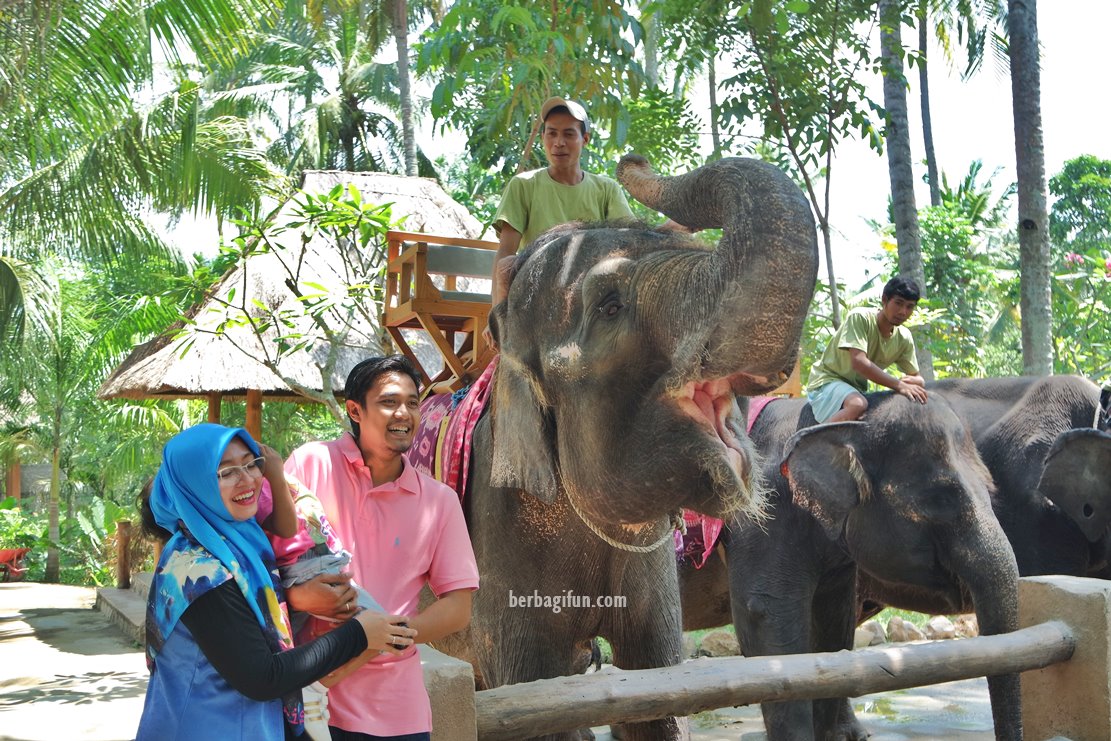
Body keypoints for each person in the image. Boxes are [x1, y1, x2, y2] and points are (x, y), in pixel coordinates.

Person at [136, 423, 416, 741]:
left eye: (250, 464)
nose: (247, 479)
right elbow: (262, 678)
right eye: (226, 472)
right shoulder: (199, 572)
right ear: (194, 484)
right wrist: (360, 634)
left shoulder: (236, 541)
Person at [284, 355, 480, 741]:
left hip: (396, 713)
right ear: (355, 410)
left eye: (412, 402)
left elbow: (459, 607)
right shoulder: (310, 465)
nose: (403, 413)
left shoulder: (439, 501)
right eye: (389, 402)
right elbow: (270, 562)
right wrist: (302, 598)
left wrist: (390, 633)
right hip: (301, 696)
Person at [806, 276, 928, 423]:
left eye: (909, 307)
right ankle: (814, 437)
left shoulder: (904, 337)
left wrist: (916, 381)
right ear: (884, 300)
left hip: (856, 389)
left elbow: (916, 376)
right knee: (857, 405)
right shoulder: (860, 317)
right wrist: (899, 385)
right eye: (898, 303)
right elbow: (859, 362)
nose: (903, 311)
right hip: (827, 381)